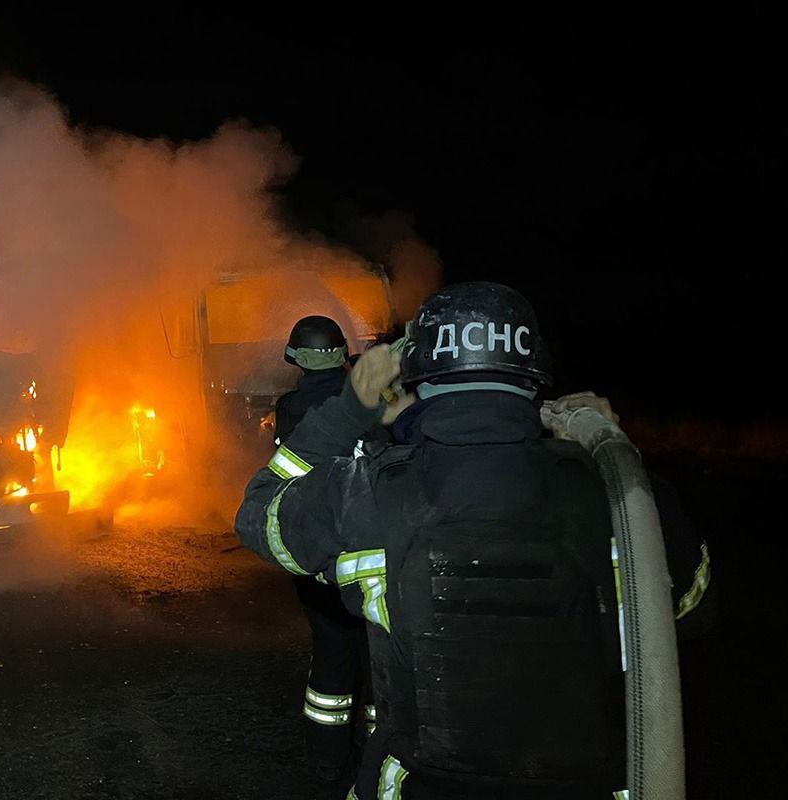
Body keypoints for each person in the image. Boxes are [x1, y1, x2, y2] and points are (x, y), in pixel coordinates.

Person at [235, 282, 711, 799]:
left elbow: (259, 514)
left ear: (415, 376)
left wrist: (351, 409)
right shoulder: (626, 497)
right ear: (534, 377)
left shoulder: (367, 496)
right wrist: (610, 447)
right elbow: (692, 609)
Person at [275, 315, 373, 781]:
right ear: (341, 355)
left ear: (296, 357)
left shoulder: (290, 408)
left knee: (331, 647)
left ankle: (326, 760)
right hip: (370, 543)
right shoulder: (368, 401)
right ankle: (377, 750)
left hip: (314, 550)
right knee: (376, 648)